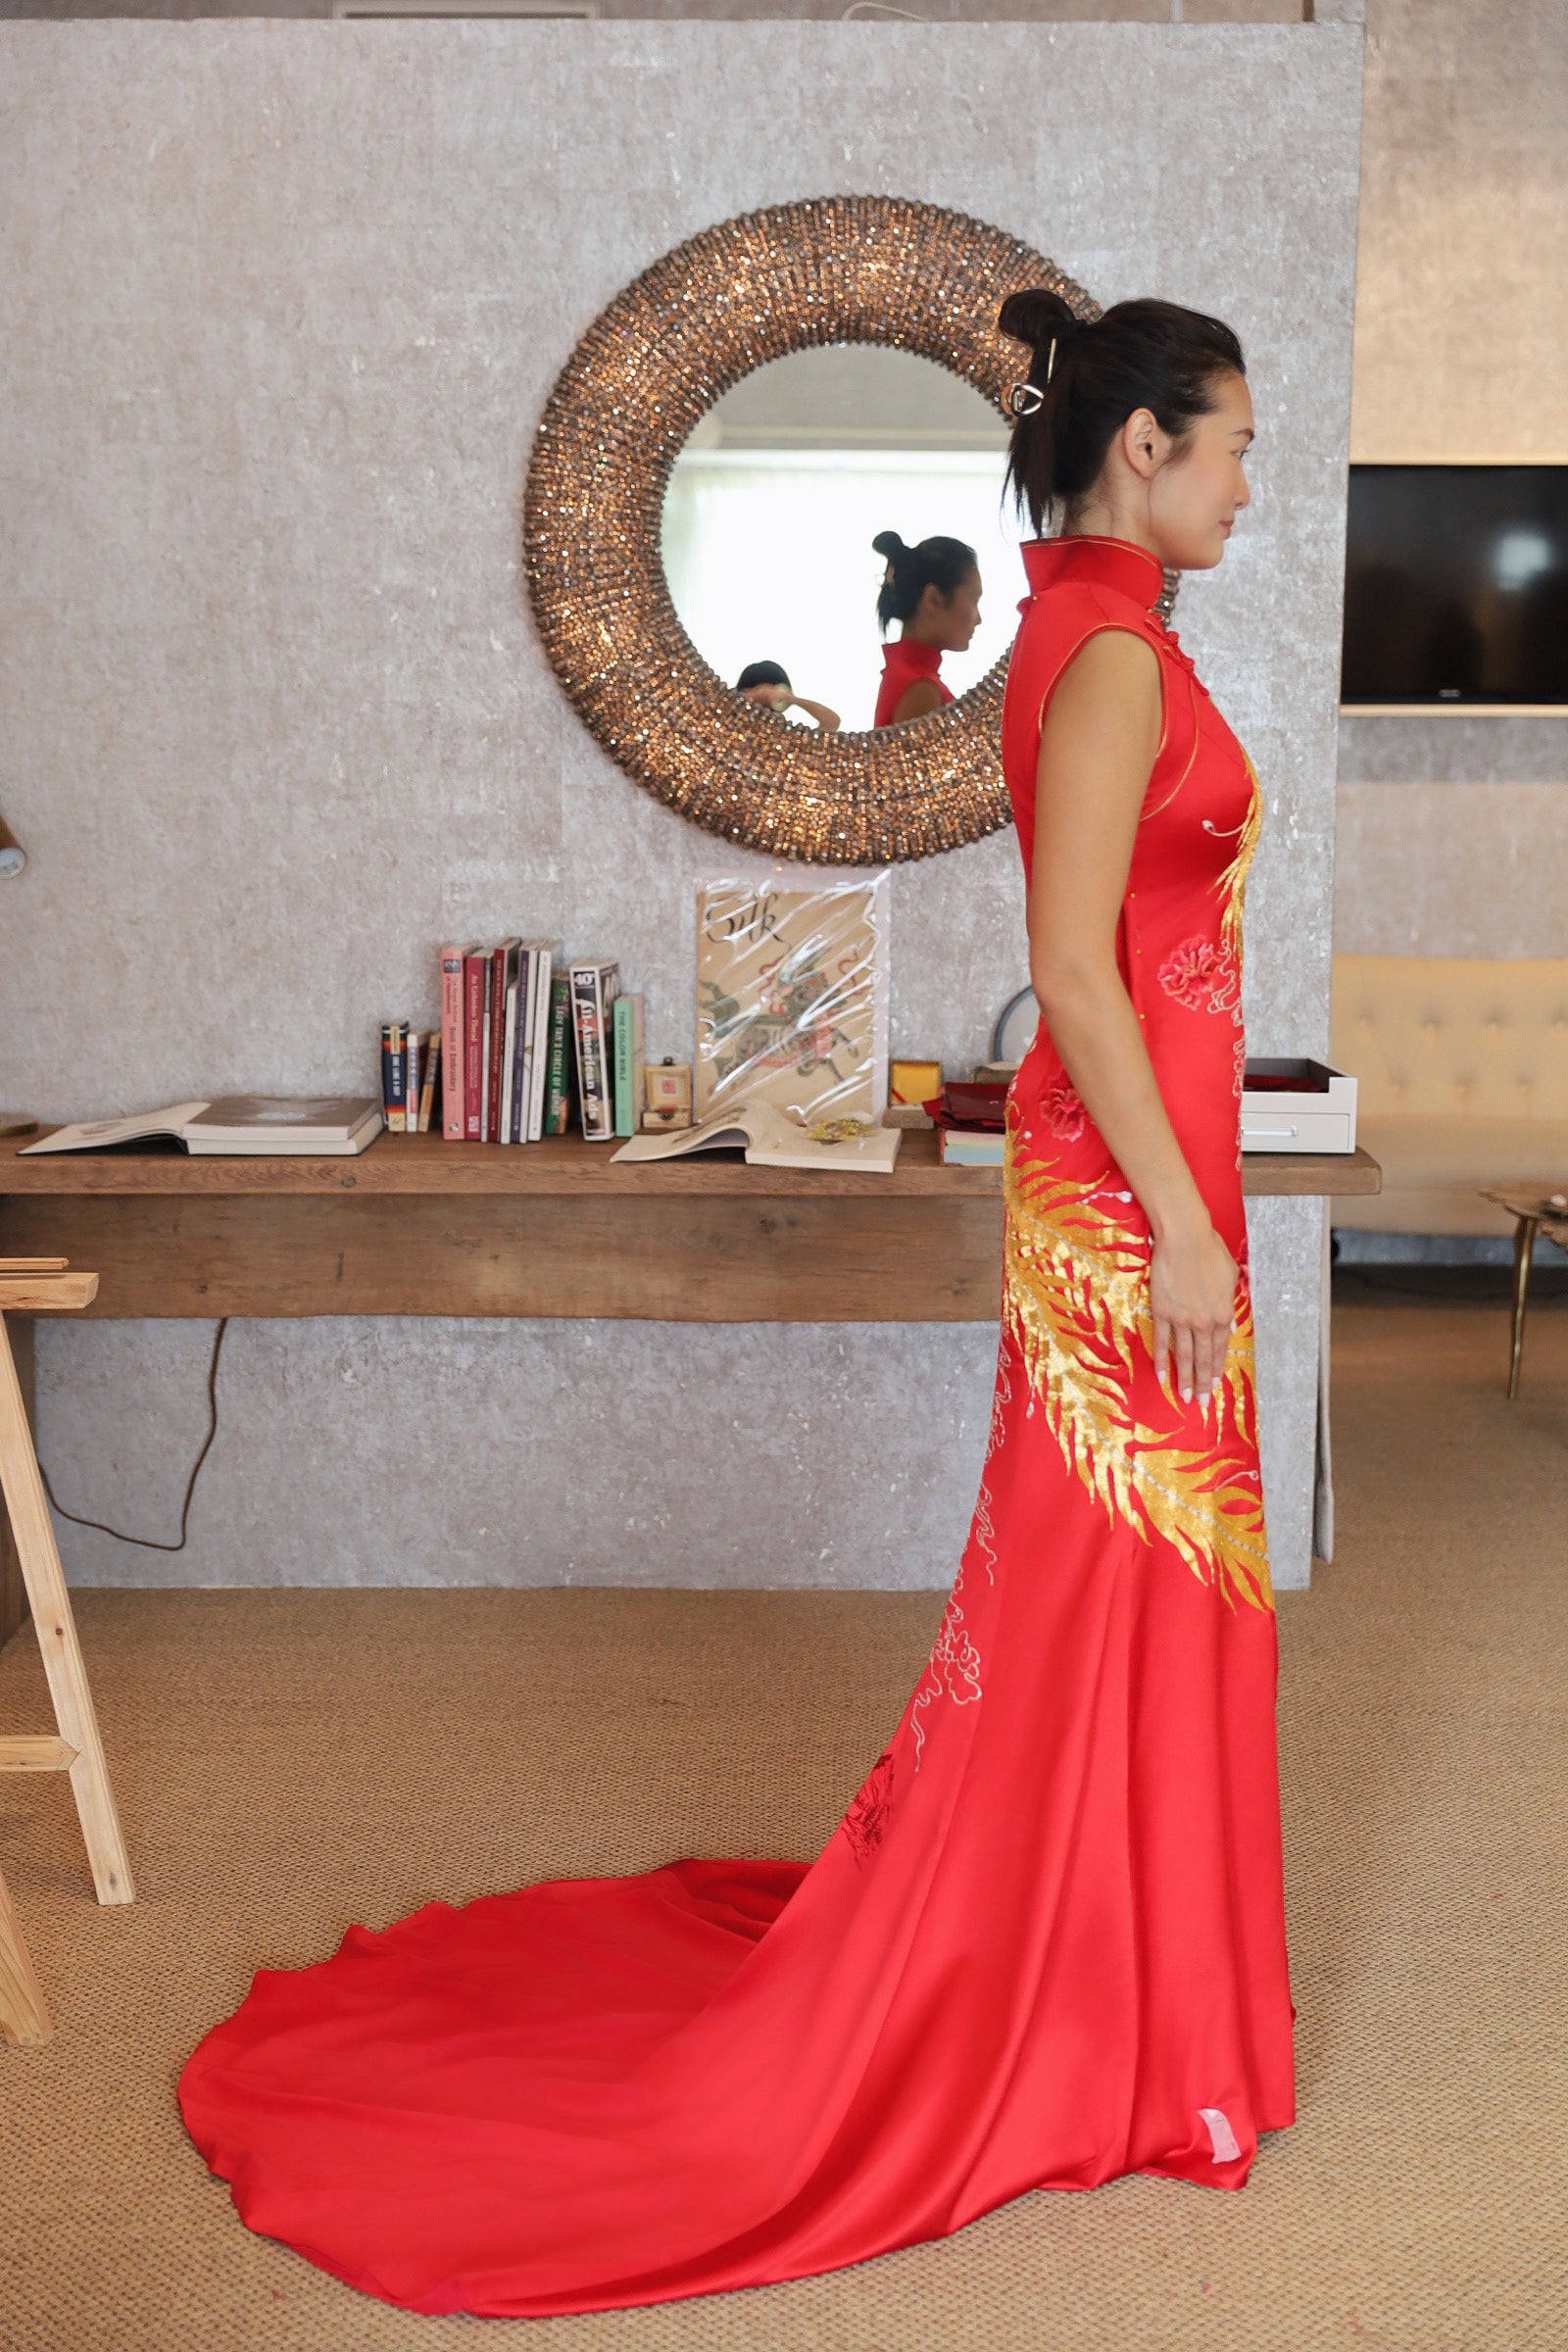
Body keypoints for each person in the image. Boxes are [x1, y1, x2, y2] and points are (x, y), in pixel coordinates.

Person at [177, 287, 1292, 2320]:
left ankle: (1134, 2007)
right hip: (1137, 1198)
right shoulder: (1107, 650)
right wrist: (1190, 1230)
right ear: (1138, 446)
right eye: (1225, 440)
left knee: (1126, 1592)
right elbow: (1069, 975)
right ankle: (1090, 2018)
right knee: (1093, 1586)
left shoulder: (1090, 633)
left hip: (1144, 1178)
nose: (1242, 477)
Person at [870, 530, 981, 724]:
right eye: (973, 600)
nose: (978, 619)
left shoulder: (909, 676)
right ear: (933, 599)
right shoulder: (920, 687)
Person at [735, 658, 840, 731]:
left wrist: (790, 698)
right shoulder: (730, 727)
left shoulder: (785, 740)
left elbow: (831, 722)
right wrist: (753, 697)